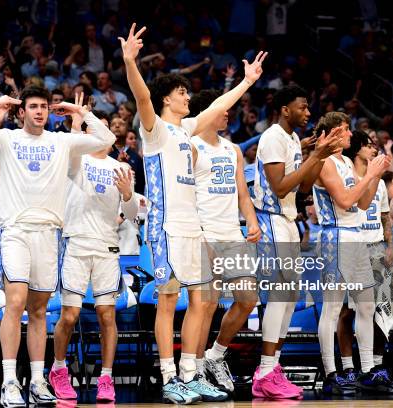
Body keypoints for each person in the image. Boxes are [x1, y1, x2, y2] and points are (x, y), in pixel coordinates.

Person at [119, 23, 267, 404]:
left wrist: (247, 82)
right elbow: (141, 97)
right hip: (166, 227)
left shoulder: (186, 130)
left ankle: (191, 372)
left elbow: (219, 107)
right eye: (182, 92)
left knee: (202, 301)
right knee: (168, 300)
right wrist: (130, 62)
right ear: (167, 99)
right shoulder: (155, 131)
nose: (188, 97)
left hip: (193, 227)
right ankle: (169, 376)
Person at [0, 86, 116, 407]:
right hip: (15, 230)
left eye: (44, 106)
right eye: (33, 106)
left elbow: (106, 139)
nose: (40, 111)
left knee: (40, 310)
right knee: (15, 302)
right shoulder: (6, 139)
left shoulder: (61, 141)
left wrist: (79, 112)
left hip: (49, 234)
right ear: (22, 111)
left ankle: (38, 380)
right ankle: (10, 382)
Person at [250, 85, 340, 399]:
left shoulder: (291, 140)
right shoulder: (274, 137)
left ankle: (272, 367)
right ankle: (264, 369)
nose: (308, 112)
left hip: (288, 220)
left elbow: (303, 189)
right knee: (280, 292)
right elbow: (278, 187)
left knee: (290, 295)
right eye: (302, 107)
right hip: (271, 218)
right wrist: (314, 154)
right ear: (286, 109)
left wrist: (320, 156)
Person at [50, 99, 137, 402]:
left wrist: (127, 195)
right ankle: (59, 369)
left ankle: (106, 378)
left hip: (106, 245)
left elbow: (132, 210)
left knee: (106, 315)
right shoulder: (77, 159)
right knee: (70, 315)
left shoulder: (122, 167)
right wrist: (79, 117)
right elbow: (99, 136)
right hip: (76, 242)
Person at [188, 89, 261, 398]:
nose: (228, 113)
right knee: (208, 304)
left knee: (248, 297)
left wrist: (252, 220)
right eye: (224, 108)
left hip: (232, 232)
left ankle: (216, 354)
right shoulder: (192, 146)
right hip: (204, 232)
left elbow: (242, 193)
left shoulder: (232, 149)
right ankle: (197, 367)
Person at [312, 112, 390, 394]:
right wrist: (369, 173)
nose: (349, 135)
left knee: (367, 306)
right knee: (333, 308)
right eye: (344, 130)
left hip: (356, 236)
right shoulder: (324, 163)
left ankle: (367, 369)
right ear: (332, 133)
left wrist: (374, 174)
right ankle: (332, 372)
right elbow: (345, 201)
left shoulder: (346, 161)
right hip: (335, 236)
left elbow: (363, 202)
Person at [336, 130, 393, 394]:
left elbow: (386, 217)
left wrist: (390, 244)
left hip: (376, 247)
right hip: (353, 246)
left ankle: (376, 367)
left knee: (384, 310)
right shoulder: (348, 178)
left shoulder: (381, 183)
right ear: (359, 149)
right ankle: (349, 367)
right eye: (369, 146)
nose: (374, 150)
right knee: (348, 312)